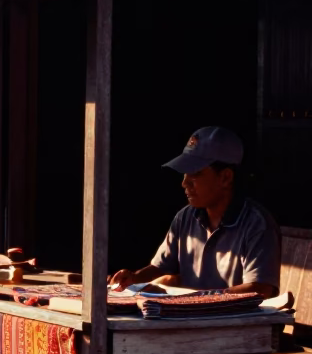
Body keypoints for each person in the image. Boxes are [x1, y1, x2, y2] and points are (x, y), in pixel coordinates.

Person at [110, 126, 280, 297]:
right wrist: (134, 277)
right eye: (184, 174)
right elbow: (161, 268)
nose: (184, 183)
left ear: (225, 177)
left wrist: (197, 298)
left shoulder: (256, 224)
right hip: (189, 317)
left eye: (195, 174)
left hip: (236, 322)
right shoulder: (185, 217)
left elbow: (261, 289)